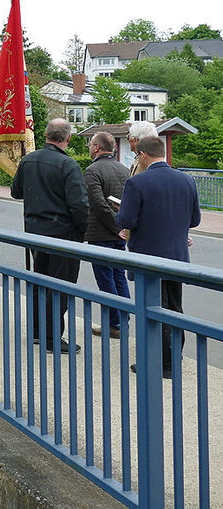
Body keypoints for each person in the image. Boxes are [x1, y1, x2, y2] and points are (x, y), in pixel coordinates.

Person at [116, 136, 200, 379]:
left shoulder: (137, 182)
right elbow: (194, 220)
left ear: (143, 155)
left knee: (151, 310)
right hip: (177, 258)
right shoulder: (187, 180)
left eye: (136, 157)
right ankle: (174, 357)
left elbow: (127, 220)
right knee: (174, 307)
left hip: (148, 259)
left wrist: (119, 216)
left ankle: (160, 363)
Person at [10, 118, 88, 354]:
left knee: (39, 283)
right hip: (63, 236)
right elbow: (79, 206)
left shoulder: (28, 160)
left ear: (45, 135)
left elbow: (15, 192)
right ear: (68, 138)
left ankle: (37, 331)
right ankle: (52, 338)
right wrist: (84, 232)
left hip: (35, 233)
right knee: (60, 287)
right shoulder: (69, 166)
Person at [83, 132, 131, 338]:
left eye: (90, 145)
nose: (89, 148)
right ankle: (124, 320)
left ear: (96, 147)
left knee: (106, 280)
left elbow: (97, 204)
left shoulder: (92, 170)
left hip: (101, 233)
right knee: (119, 276)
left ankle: (114, 324)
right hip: (119, 235)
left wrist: (115, 225)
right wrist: (121, 227)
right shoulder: (124, 169)